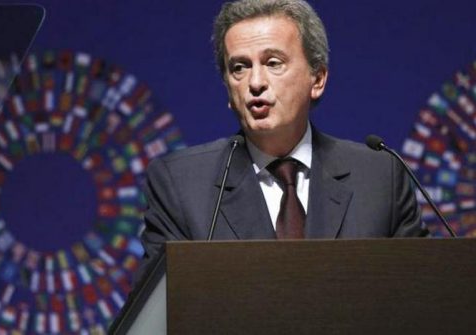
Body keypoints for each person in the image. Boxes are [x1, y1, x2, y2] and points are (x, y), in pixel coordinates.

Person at [136, 0, 427, 281]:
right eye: (239, 67)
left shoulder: (380, 177)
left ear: (318, 79)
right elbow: (159, 316)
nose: (255, 82)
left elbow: (424, 296)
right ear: (227, 87)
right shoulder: (180, 185)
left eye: (273, 63)